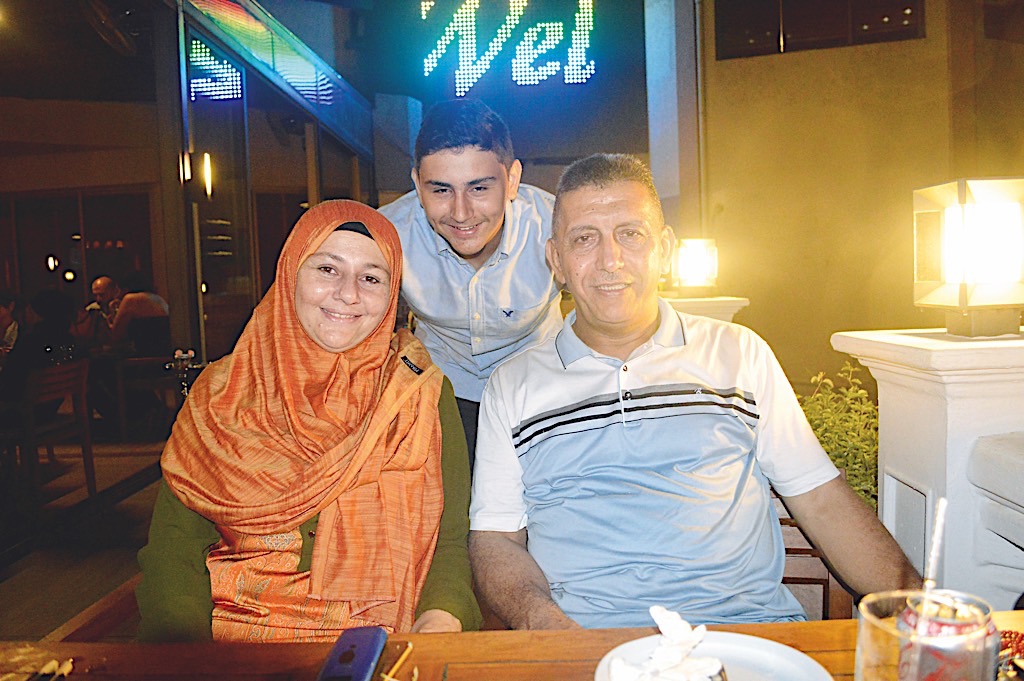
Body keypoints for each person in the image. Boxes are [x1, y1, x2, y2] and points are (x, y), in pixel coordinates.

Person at [468, 154, 920, 629]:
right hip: (587, 642)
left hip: (743, 634)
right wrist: (547, 628)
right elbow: (495, 539)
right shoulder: (513, 386)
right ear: (556, 260)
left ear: (664, 249)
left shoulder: (738, 353)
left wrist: (919, 610)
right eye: (584, 239)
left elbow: (822, 502)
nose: (610, 260)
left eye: (630, 234)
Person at [136, 199, 481, 642]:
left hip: (376, 645)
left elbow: (449, 542)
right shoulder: (221, 394)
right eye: (327, 269)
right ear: (290, 274)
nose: (348, 294)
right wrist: (187, 657)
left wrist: (442, 616)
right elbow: (174, 549)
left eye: (371, 278)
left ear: (392, 294)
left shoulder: (417, 394)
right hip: (234, 644)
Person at [378, 99, 562, 466]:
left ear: (512, 180)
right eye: (441, 190)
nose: (461, 213)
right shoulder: (387, 235)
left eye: (479, 189)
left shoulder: (555, 225)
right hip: (441, 394)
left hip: (543, 389)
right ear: (417, 184)